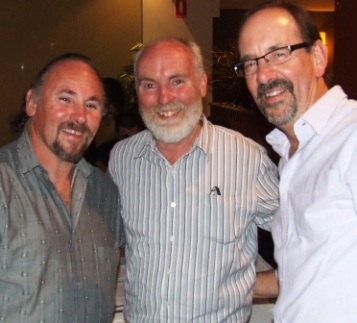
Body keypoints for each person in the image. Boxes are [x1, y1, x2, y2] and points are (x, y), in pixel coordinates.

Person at [108, 37, 279, 322]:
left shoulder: (247, 158)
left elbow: (311, 245)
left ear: (202, 84)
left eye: (177, 81)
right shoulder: (122, 159)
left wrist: (254, 283)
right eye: (149, 85)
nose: (164, 98)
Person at [237, 1, 357, 322]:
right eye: (250, 64)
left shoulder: (352, 137)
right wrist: (220, 283)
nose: (263, 75)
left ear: (317, 57)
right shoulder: (291, 153)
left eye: (279, 54)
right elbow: (303, 276)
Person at [0, 53, 124, 322]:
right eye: (65, 99)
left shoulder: (106, 194)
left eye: (91, 105)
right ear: (32, 102)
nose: (79, 116)